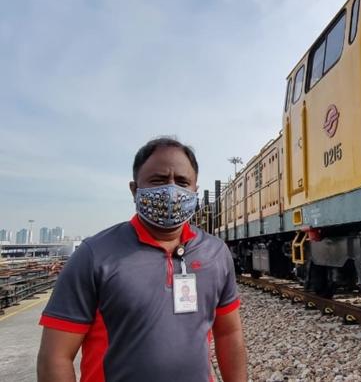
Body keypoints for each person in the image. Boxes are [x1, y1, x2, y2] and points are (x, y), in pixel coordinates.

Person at [37, 137, 247, 382]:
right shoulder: (94, 255)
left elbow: (229, 334)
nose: (171, 191)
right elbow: (55, 357)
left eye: (182, 182)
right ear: (134, 189)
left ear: (195, 191)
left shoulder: (216, 253)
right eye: (158, 180)